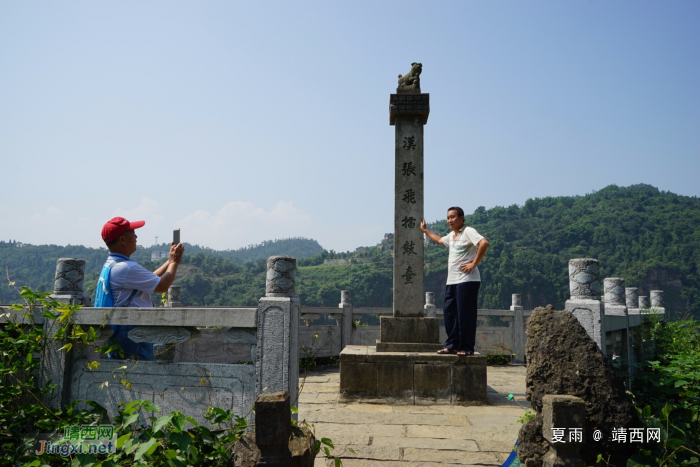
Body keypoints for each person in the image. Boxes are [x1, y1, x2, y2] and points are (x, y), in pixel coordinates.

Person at [97, 217, 184, 360]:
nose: (136, 236)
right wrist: (175, 263)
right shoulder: (126, 268)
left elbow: (150, 279)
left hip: (121, 332)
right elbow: (162, 286)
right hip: (132, 334)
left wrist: (169, 261)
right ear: (122, 239)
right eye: (133, 233)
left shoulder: (113, 264)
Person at [420, 207, 489, 356]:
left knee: (465, 314)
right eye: (448, 217)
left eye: (453, 217)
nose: (450, 220)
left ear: (462, 218)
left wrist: (473, 264)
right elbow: (439, 240)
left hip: (468, 280)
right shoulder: (452, 235)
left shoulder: (468, 231)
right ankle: (452, 345)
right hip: (452, 281)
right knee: (450, 313)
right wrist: (425, 231)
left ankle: (467, 347)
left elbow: (484, 243)